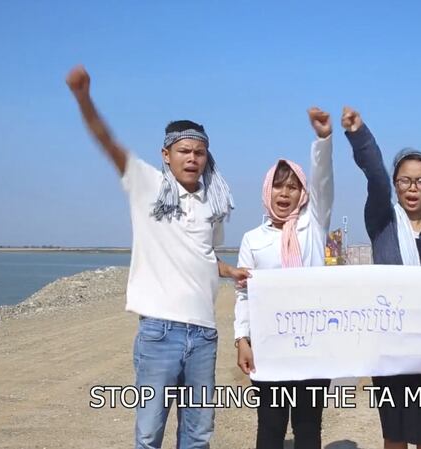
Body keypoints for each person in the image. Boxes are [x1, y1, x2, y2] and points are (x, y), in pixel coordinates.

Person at [65, 65, 249, 449]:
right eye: (184, 150)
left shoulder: (211, 204)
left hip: (204, 335)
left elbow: (204, 255)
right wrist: (84, 99)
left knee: (198, 434)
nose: (193, 158)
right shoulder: (147, 185)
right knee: (149, 434)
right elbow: (108, 142)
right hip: (159, 333)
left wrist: (231, 271)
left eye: (199, 152)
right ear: (166, 154)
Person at [342, 107, 421, 449]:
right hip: (390, 350)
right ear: (396, 185)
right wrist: (359, 135)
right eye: (405, 180)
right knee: (394, 436)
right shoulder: (382, 221)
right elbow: (375, 177)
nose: (412, 188)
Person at [233, 108, 335, 449]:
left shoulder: (313, 224)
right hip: (269, 347)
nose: (285, 193)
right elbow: (243, 294)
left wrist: (323, 141)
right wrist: (241, 339)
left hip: (313, 346)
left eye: (293, 186)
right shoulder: (252, 239)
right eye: (279, 186)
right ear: (268, 189)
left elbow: (323, 180)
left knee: (308, 429)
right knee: (271, 427)